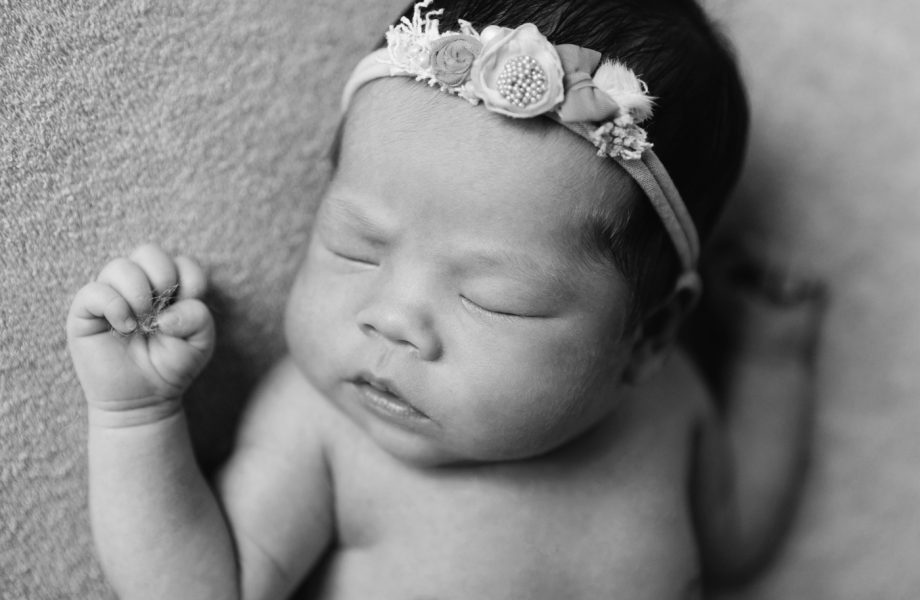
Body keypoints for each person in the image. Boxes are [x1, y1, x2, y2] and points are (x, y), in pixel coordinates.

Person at [66, 0, 825, 598]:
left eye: (494, 300)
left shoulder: (668, 406)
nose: (393, 320)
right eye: (354, 247)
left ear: (650, 335)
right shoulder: (326, 425)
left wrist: (771, 361)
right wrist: (135, 416)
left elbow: (737, 540)